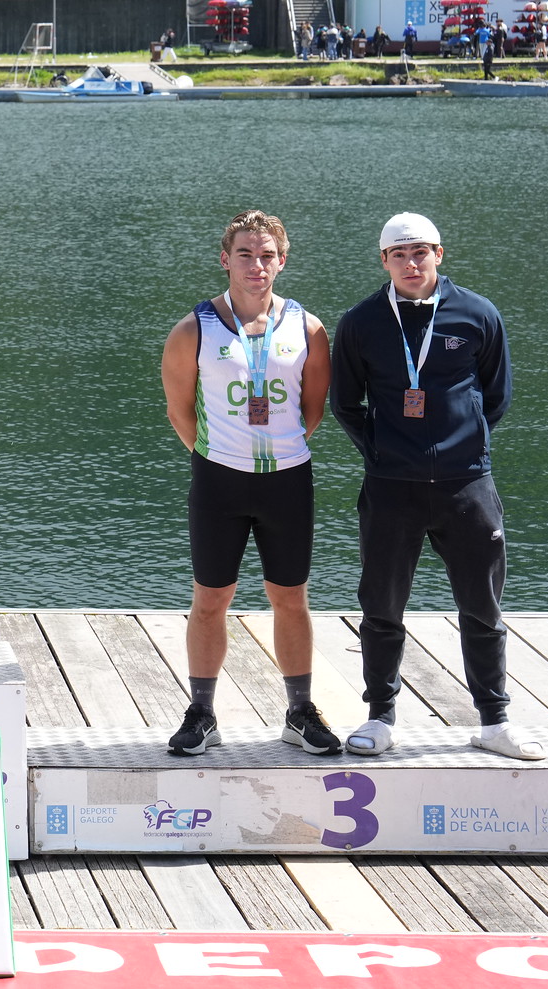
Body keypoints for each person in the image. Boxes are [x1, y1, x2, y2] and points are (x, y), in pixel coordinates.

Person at [329, 214, 539, 760]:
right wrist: (381, 453)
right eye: (399, 254)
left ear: (439, 254)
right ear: (384, 261)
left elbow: (496, 395)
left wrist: (463, 444)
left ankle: (494, 721)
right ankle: (380, 717)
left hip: (466, 485)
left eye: (420, 251)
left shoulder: (477, 313)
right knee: (381, 605)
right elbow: (345, 403)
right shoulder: (361, 322)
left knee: (482, 605)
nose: (411, 262)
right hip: (391, 487)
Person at [159, 211, 336, 757]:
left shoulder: (308, 329)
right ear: (225, 259)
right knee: (210, 598)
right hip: (219, 480)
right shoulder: (193, 329)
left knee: (291, 598)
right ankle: (202, 714)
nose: (256, 265)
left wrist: (275, 448)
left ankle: (299, 712)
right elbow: (179, 410)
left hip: (288, 479)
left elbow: (312, 409)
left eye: (266, 256)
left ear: (282, 261)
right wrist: (223, 454)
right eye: (245, 255)